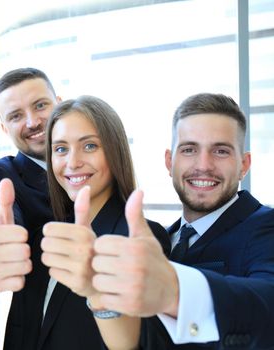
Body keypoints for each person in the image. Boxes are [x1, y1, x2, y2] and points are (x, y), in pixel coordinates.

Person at [90, 93, 274, 349]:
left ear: (244, 164)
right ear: (169, 161)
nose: (203, 165)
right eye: (189, 149)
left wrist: (176, 291)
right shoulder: (159, 241)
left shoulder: (266, 227)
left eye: (221, 151)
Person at [38, 95, 170, 350]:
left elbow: (139, 344)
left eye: (89, 146)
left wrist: (97, 291)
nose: (73, 162)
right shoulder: (49, 235)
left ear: (114, 151)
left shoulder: (140, 239)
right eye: (61, 149)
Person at [0, 67, 62, 348]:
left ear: (58, 103)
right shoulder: (1, 175)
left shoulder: (98, 164)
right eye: (15, 116)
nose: (33, 121)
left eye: (40, 106)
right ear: (4, 128)